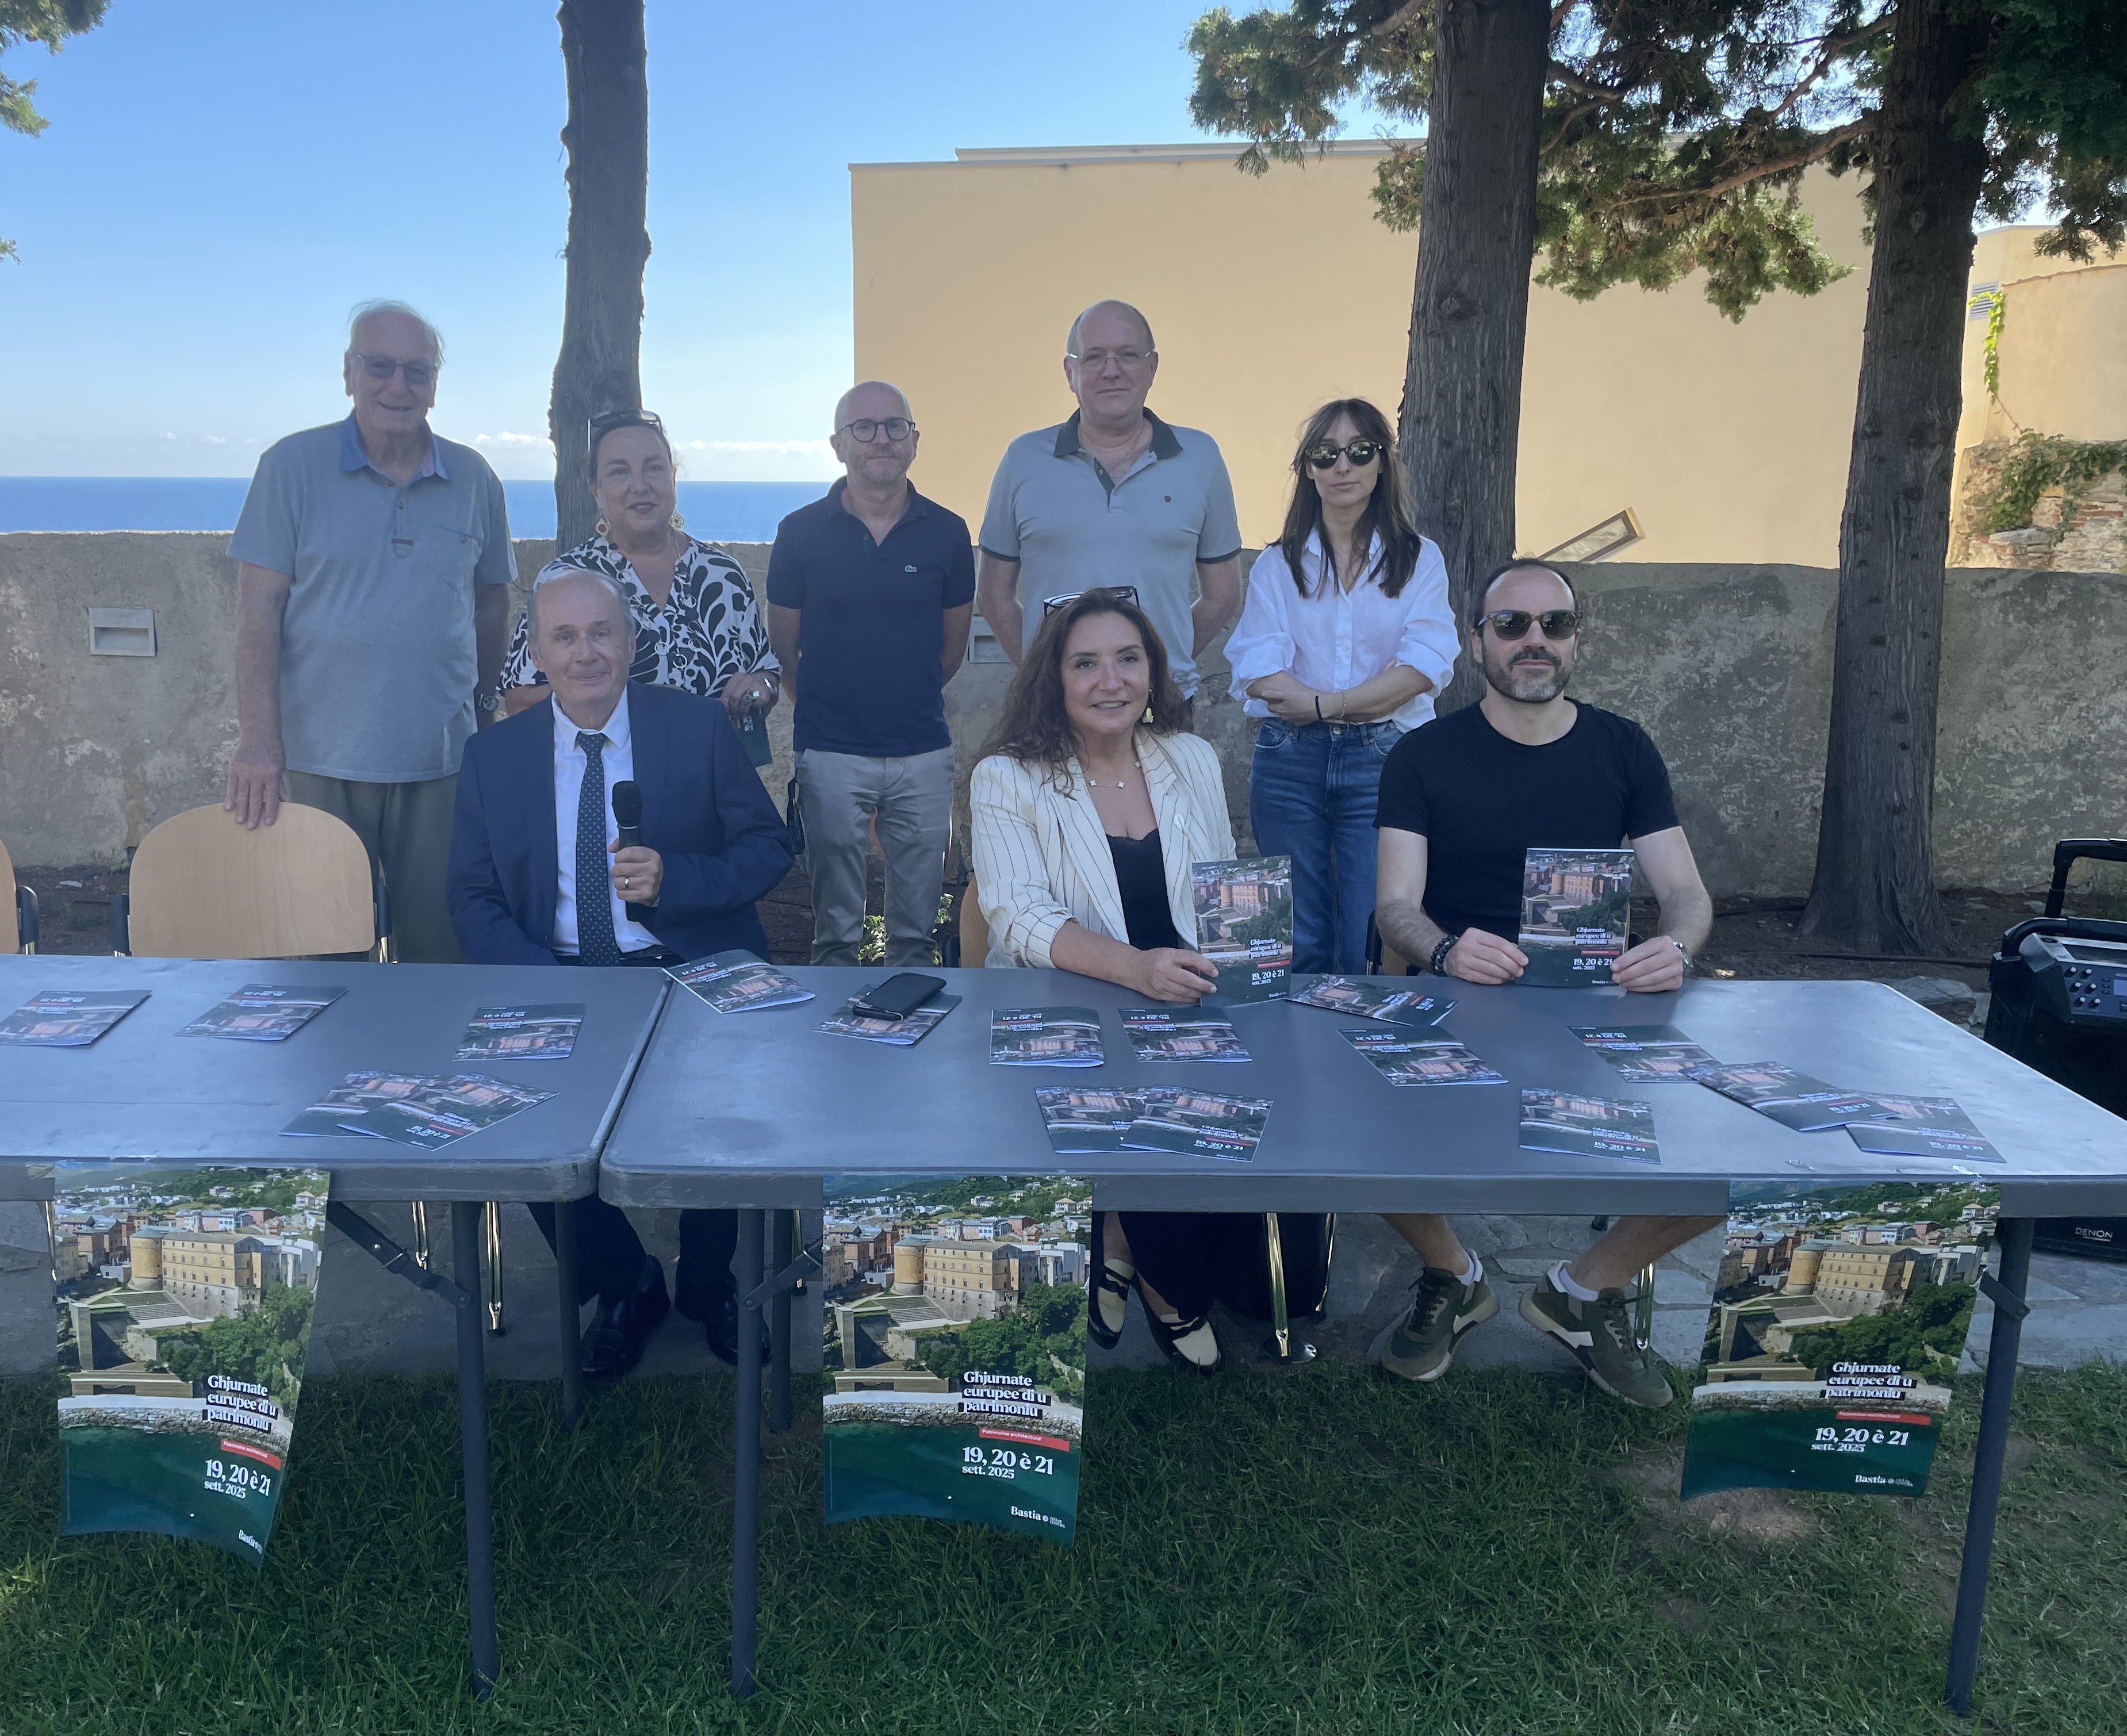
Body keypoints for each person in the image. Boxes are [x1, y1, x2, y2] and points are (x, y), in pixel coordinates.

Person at [1371, 558, 1722, 1408]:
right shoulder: (1421, 754)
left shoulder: (1625, 747)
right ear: (1476, 642)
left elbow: (1685, 893)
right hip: (1459, 1002)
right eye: (1511, 624)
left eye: (1553, 623)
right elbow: (1394, 907)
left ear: (1575, 639)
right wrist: (1446, 950)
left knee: (1734, 1147)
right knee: (1357, 1130)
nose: (1534, 640)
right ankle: (1451, 1272)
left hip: (1597, 1007)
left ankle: (1586, 1288)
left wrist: (1675, 947)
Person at [447, 566, 795, 1377]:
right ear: (537, 654)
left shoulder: (695, 727)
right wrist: (546, 982)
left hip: (688, 968)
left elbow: (767, 847)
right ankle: (625, 1280)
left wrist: (678, 878)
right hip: (557, 973)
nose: (586, 653)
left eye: (602, 632)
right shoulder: (493, 756)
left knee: (733, 1106)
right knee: (513, 1115)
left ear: (632, 643)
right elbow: (471, 895)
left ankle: (708, 1283)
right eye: (564, 637)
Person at [970, 589, 1321, 1374]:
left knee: (1287, 1270)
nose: (1111, 680)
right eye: (1085, 663)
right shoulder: (1008, 776)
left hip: (1186, 1004)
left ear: (1153, 670)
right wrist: (1136, 967)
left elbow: (1219, 882)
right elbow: (1017, 914)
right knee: (1145, 1114)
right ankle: (1167, 1288)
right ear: (1054, 678)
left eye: (1128, 658)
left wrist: (1252, 950)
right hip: (1067, 1010)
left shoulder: (1188, 756)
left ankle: (1120, 1237)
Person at [224, 300, 513, 963]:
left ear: (435, 384)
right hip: (317, 763)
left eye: (417, 370)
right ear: (349, 373)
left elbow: (493, 605)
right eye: (380, 366)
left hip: (441, 765)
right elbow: (257, 611)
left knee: (443, 957)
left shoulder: (475, 478)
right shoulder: (290, 467)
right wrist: (258, 743)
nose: (398, 386)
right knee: (323, 958)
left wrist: (483, 710)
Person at [1225, 398, 1456, 974]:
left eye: (1359, 451)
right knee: (1296, 939)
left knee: (1368, 936)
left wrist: (1323, 705)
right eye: (1325, 454)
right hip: (1288, 758)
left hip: (1386, 757)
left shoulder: (1420, 559)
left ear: (1383, 461)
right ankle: (1298, 1037)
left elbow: (1423, 667)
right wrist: (1341, 703)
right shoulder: (1277, 564)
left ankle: (1360, 1035)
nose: (1342, 466)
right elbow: (1258, 667)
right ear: (1308, 469)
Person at [767, 382, 974, 966]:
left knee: (916, 932)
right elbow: (784, 649)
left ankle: (908, 1017)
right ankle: (836, 1020)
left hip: (922, 751)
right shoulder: (799, 533)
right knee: (835, 931)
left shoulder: (948, 533)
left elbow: (951, 649)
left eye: (894, 426)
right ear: (839, 444)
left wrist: (901, 702)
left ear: (914, 440)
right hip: (830, 752)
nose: (881, 438)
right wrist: (828, 713)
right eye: (864, 427)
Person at [976, 300, 1243, 712]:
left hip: (1162, 704)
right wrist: (1042, 673)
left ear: (1152, 367)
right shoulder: (1023, 459)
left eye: (1128, 355)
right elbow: (994, 595)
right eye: (1095, 357)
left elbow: (1223, 595)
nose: (1112, 370)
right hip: (1054, 707)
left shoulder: (1201, 457)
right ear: (1070, 372)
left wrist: (1156, 665)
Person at [497, 409, 780, 732]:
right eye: (619, 472)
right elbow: (520, 701)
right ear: (595, 489)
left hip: (720, 764)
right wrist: (630, 701)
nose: (640, 486)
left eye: (653, 468)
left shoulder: (723, 575)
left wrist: (759, 688)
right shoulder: (563, 580)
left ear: (673, 477)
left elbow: (766, 673)